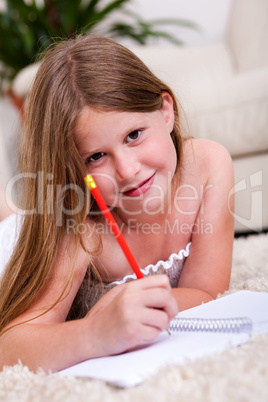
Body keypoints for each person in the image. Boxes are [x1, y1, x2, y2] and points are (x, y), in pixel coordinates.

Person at [0, 34, 234, 373]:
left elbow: (205, 291)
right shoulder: (78, 222)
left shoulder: (208, 165)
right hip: (18, 242)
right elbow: (10, 347)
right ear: (73, 171)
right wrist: (95, 332)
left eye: (134, 135)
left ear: (165, 111)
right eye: (96, 156)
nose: (127, 171)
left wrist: (126, 305)